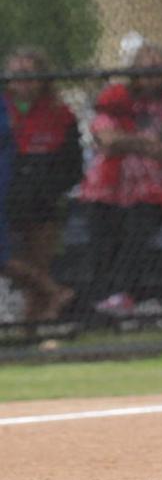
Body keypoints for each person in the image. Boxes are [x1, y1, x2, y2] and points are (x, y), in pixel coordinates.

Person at [78, 43, 162, 318]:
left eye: (158, 69)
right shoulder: (115, 98)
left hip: (152, 188)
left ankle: (122, 296)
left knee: (135, 236)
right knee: (101, 243)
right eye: (145, 68)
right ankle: (100, 304)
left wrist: (128, 143)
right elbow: (106, 139)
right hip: (107, 186)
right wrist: (150, 143)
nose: (151, 75)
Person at [3, 47, 83, 322]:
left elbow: (73, 166)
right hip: (6, 198)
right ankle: (55, 292)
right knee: (9, 260)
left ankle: (35, 329)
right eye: (15, 75)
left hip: (42, 201)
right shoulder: (4, 108)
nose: (22, 82)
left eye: (29, 75)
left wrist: (49, 189)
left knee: (39, 263)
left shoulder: (60, 115)